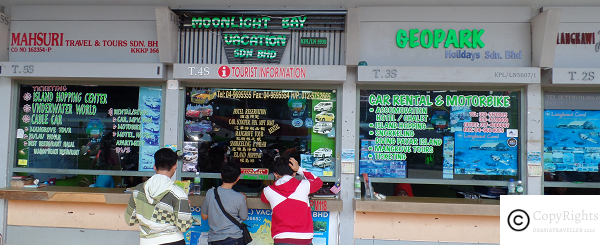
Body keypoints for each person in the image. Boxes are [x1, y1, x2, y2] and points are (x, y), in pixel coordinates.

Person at [125, 148, 193, 245]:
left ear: (154, 167)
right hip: (173, 240)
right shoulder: (178, 193)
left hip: (147, 242)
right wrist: (187, 205)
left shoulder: (138, 190)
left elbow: (130, 220)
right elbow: (184, 226)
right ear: (174, 167)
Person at [261, 152, 323, 245]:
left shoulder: (268, 191)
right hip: (304, 238)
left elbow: (263, 200)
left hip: (281, 238)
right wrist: (300, 169)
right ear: (294, 173)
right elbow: (318, 182)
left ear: (275, 174)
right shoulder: (304, 185)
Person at [201, 162, 248, 245]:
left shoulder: (210, 193)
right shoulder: (240, 197)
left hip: (214, 239)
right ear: (237, 178)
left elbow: (204, 216)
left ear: (221, 176)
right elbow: (244, 217)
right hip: (234, 238)